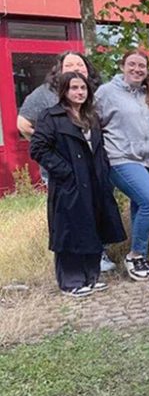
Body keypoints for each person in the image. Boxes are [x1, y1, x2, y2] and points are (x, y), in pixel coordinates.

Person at [16, 51, 116, 273]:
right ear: (59, 71)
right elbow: (23, 124)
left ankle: (96, 258)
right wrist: (60, 156)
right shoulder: (44, 96)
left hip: (92, 170)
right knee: (70, 217)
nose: (75, 68)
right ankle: (73, 272)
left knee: (95, 212)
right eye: (69, 64)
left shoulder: (93, 96)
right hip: (64, 171)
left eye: (80, 64)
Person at [30, 72, 126, 297]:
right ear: (64, 90)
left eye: (83, 88)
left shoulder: (90, 116)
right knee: (70, 230)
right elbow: (38, 149)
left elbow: (98, 148)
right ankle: (71, 281)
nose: (79, 92)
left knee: (92, 226)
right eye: (74, 88)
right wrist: (66, 172)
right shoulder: (51, 117)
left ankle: (90, 277)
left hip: (94, 181)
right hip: (69, 184)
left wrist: (104, 171)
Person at [96, 50, 149, 280]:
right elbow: (92, 122)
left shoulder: (148, 92)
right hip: (122, 158)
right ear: (122, 66)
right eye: (132, 64)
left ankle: (139, 258)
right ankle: (135, 255)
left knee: (140, 206)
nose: (137, 69)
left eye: (142, 66)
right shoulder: (106, 92)